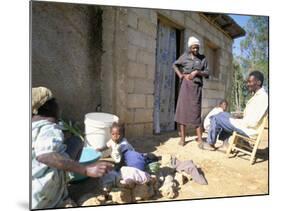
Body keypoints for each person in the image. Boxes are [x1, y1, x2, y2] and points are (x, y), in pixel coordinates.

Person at [32, 87, 113, 209]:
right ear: (50, 107)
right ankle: (59, 192)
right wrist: (85, 170)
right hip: (41, 198)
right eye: (55, 102)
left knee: (73, 142)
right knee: (76, 141)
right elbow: (45, 155)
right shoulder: (48, 128)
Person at [200, 71, 268, 150]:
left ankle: (210, 143)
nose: (248, 84)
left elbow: (253, 122)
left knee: (216, 118)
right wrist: (237, 119)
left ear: (258, 82)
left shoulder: (262, 97)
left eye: (250, 82)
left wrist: (238, 121)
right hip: (244, 125)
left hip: (248, 130)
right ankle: (225, 144)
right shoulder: (257, 96)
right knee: (223, 115)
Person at [173, 36, 209, 146]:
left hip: (196, 88)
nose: (196, 50)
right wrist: (180, 75)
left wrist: (197, 72)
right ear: (190, 48)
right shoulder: (184, 57)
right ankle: (183, 139)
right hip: (185, 86)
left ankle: (200, 139)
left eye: (197, 48)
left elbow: (207, 73)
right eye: (194, 48)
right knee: (182, 111)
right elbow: (174, 65)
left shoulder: (203, 58)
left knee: (196, 112)